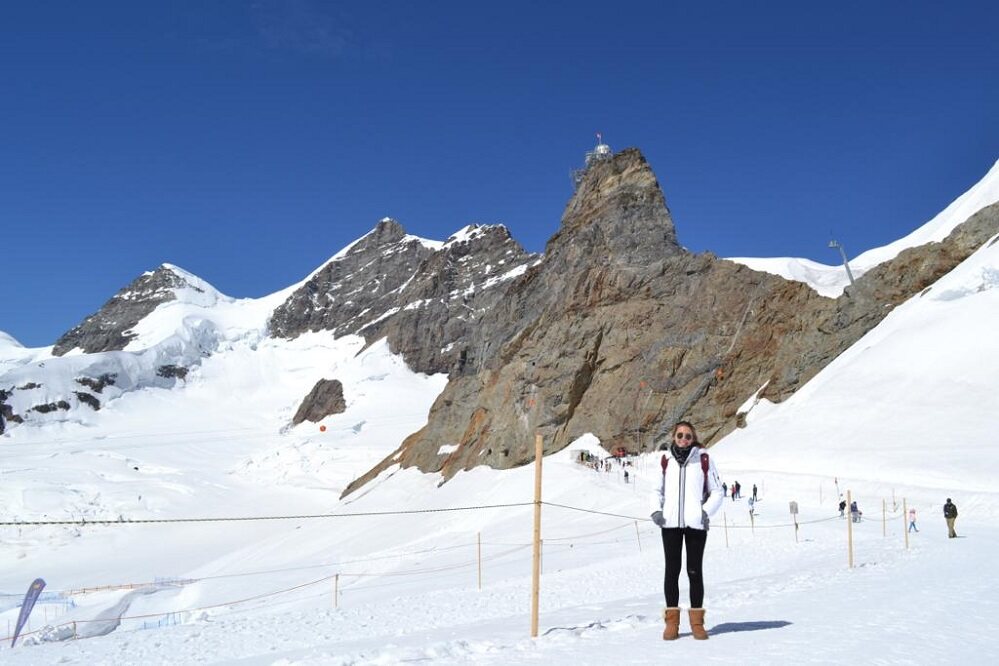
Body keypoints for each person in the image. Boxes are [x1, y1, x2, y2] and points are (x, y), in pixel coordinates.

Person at [650, 421, 723, 641]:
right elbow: (656, 489)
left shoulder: (703, 459)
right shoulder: (665, 460)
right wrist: (656, 510)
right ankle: (671, 623)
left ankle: (697, 623)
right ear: (673, 436)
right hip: (670, 523)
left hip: (696, 525)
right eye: (680, 435)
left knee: (694, 571)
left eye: (688, 436)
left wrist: (705, 512)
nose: (684, 439)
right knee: (672, 571)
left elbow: (718, 491)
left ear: (694, 438)